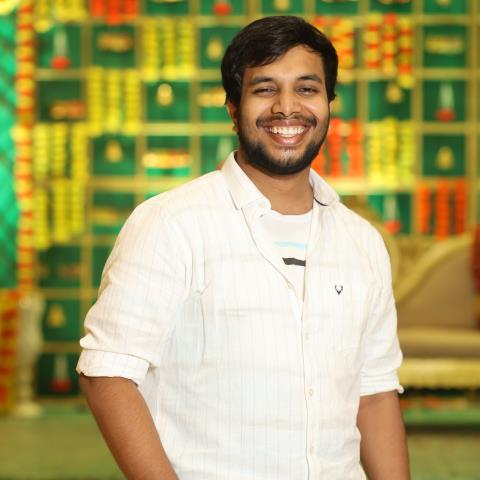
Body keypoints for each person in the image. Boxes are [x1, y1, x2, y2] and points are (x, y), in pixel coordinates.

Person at [77, 15, 410, 480]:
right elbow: (107, 374)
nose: (287, 107)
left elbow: (373, 396)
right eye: (265, 89)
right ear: (234, 108)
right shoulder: (171, 224)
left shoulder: (362, 242)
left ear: (329, 104)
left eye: (307, 89)